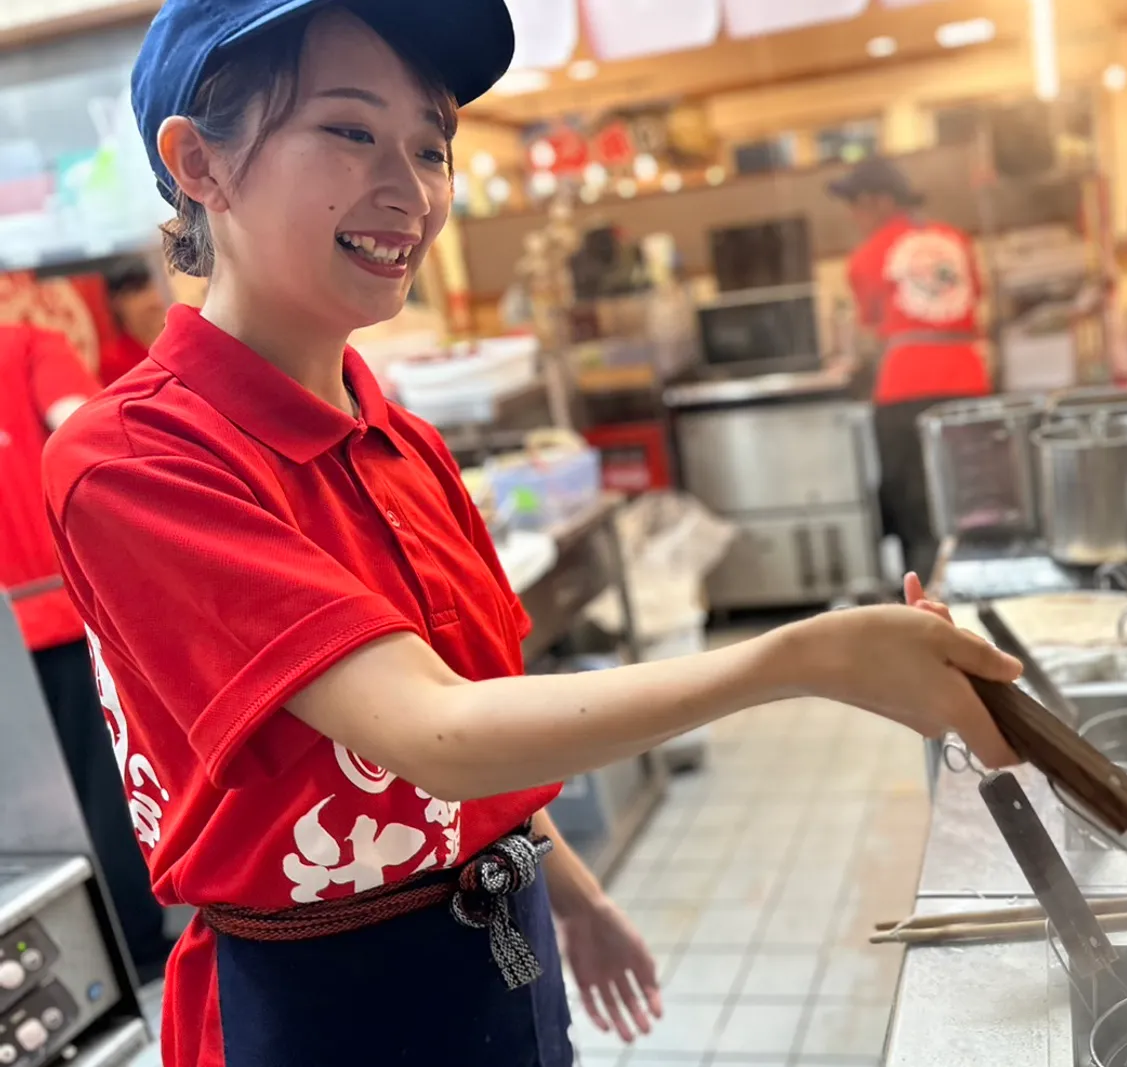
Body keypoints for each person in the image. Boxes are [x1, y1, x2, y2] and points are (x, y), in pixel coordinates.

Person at [41, 4, 1023, 1066]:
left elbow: (480, 713)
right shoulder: (133, 458)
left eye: (430, 144)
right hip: (326, 1001)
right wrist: (800, 656)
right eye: (350, 130)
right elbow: (432, 729)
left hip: (500, 935)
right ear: (199, 163)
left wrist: (576, 892)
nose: (411, 188)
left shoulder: (398, 438)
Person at [0, 322, 175, 985]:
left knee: (29, 811)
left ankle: (68, 967)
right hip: (57, 610)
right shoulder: (25, 344)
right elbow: (85, 430)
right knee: (103, 783)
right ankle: (130, 943)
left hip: (22, 625)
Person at [829, 157, 993, 582]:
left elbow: (869, 331)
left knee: (914, 512)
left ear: (881, 202)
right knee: (972, 500)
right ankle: (977, 589)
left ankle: (920, 604)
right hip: (970, 385)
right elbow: (974, 301)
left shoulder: (866, 257)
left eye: (857, 205)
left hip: (905, 391)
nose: (853, 216)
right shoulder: (956, 239)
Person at [97, 256, 170, 385]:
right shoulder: (112, 362)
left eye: (153, 287)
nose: (153, 299)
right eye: (139, 291)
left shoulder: (180, 343)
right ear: (117, 302)